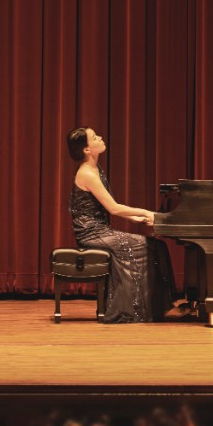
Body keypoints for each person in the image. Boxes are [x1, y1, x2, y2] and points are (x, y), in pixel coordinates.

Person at [67, 126, 175, 323]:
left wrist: (136, 218)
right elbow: (114, 209)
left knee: (156, 245)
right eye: (94, 137)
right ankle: (135, 309)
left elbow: (106, 208)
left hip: (100, 229)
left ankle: (157, 307)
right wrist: (145, 212)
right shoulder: (87, 173)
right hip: (91, 233)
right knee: (145, 245)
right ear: (86, 150)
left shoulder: (95, 169)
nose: (100, 138)